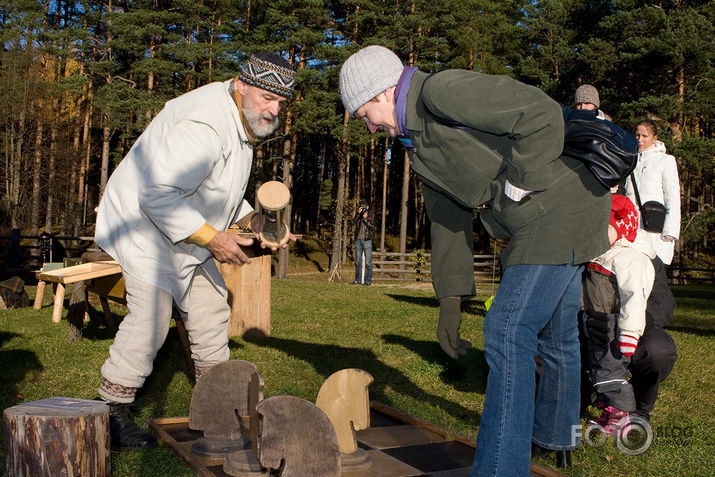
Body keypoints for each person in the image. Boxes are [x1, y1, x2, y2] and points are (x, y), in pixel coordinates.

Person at [339, 45, 611, 476]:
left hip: (556, 207)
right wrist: (450, 301)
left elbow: (539, 113)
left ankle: (501, 468)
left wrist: (519, 185)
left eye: (362, 116)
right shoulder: (417, 147)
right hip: (554, 214)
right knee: (557, 336)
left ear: (380, 94)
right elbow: (448, 221)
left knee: (507, 330)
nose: (369, 129)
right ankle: (558, 439)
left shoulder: (441, 92)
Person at [94, 52, 295, 451]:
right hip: (143, 224)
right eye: (266, 98)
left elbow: (217, 191)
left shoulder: (241, 127)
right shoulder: (205, 123)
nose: (273, 110)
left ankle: (217, 404)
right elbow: (156, 194)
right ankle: (110, 411)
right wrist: (215, 239)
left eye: (280, 103)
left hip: (184, 224)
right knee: (153, 314)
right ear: (241, 86)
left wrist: (253, 219)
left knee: (209, 305)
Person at [581, 195, 656, 434]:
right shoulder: (604, 251)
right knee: (599, 368)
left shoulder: (630, 258)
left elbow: (635, 297)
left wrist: (630, 333)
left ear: (622, 228)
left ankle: (622, 415)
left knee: (611, 371)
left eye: (606, 229)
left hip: (612, 325)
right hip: (593, 320)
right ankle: (608, 410)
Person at [623, 118, 681, 265]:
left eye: (644, 136)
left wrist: (669, 232)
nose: (640, 140)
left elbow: (673, 198)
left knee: (653, 276)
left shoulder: (665, 160)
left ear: (654, 138)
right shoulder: (630, 160)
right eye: (637, 135)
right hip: (631, 229)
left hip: (655, 230)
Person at [351, 201, 376, 285]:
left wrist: (365, 219)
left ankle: (368, 280)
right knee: (358, 261)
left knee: (368, 262)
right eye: (361, 207)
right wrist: (358, 214)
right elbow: (352, 223)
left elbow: (372, 227)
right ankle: (357, 279)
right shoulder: (358, 215)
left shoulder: (371, 215)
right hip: (358, 240)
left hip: (367, 240)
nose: (363, 208)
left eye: (364, 207)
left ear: (368, 207)